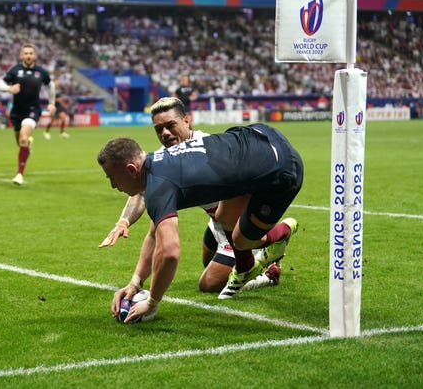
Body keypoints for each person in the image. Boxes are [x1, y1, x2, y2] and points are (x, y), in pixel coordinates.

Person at [97, 123, 303, 323]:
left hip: (280, 167)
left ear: (132, 170)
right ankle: (246, 266)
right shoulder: (158, 161)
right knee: (224, 218)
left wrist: (152, 302)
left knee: (241, 241)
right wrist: (135, 282)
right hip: (255, 133)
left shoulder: (158, 186)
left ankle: (282, 233)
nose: (113, 185)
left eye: (112, 178)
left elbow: (169, 252)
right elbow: (153, 235)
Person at [0, 43, 56, 185]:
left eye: (31, 53)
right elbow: (1, 84)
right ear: (21, 55)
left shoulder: (41, 72)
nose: (28, 55)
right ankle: (27, 144)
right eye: (26, 53)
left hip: (33, 110)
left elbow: (51, 85)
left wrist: (52, 103)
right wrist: (9, 88)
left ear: (35, 55)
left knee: (23, 138)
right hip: (17, 112)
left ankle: (19, 174)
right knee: (21, 142)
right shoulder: (15, 70)